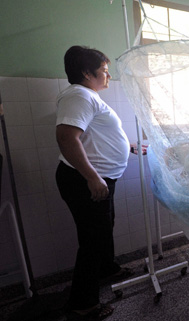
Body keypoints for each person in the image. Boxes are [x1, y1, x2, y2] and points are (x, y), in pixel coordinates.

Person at [55, 45, 134, 320]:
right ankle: (83, 304)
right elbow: (67, 137)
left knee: (103, 227)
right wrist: (92, 178)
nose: (108, 76)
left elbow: (92, 135)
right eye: (104, 71)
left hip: (96, 177)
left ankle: (106, 268)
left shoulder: (88, 96)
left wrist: (128, 146)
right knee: (92, 239)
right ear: (86, 73)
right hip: (85, 180)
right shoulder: (79, 95)